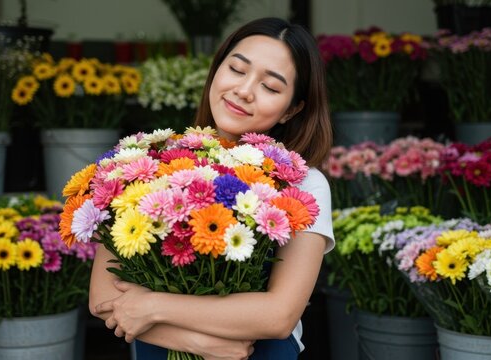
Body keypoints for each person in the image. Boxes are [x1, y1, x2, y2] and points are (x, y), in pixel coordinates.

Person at [90, 17, 335, 360]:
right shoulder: (147, 163)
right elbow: (103, 298)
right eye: (236, 69)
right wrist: (197, 343)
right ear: (217, 69)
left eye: (271, 87)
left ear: (291, 109)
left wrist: (153, 306)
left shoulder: (304, 185)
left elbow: (279, 316)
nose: (245, 90)